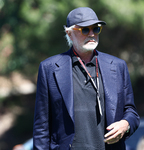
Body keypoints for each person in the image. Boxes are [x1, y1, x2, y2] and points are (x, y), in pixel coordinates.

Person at [33, 7, 140, 150]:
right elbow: (41, 127)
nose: (91, 34)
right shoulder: (49, 68)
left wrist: (125, 124)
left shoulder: (117, 66)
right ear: (69, 34)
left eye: (96, 29)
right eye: (84, 30)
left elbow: (131, 112)